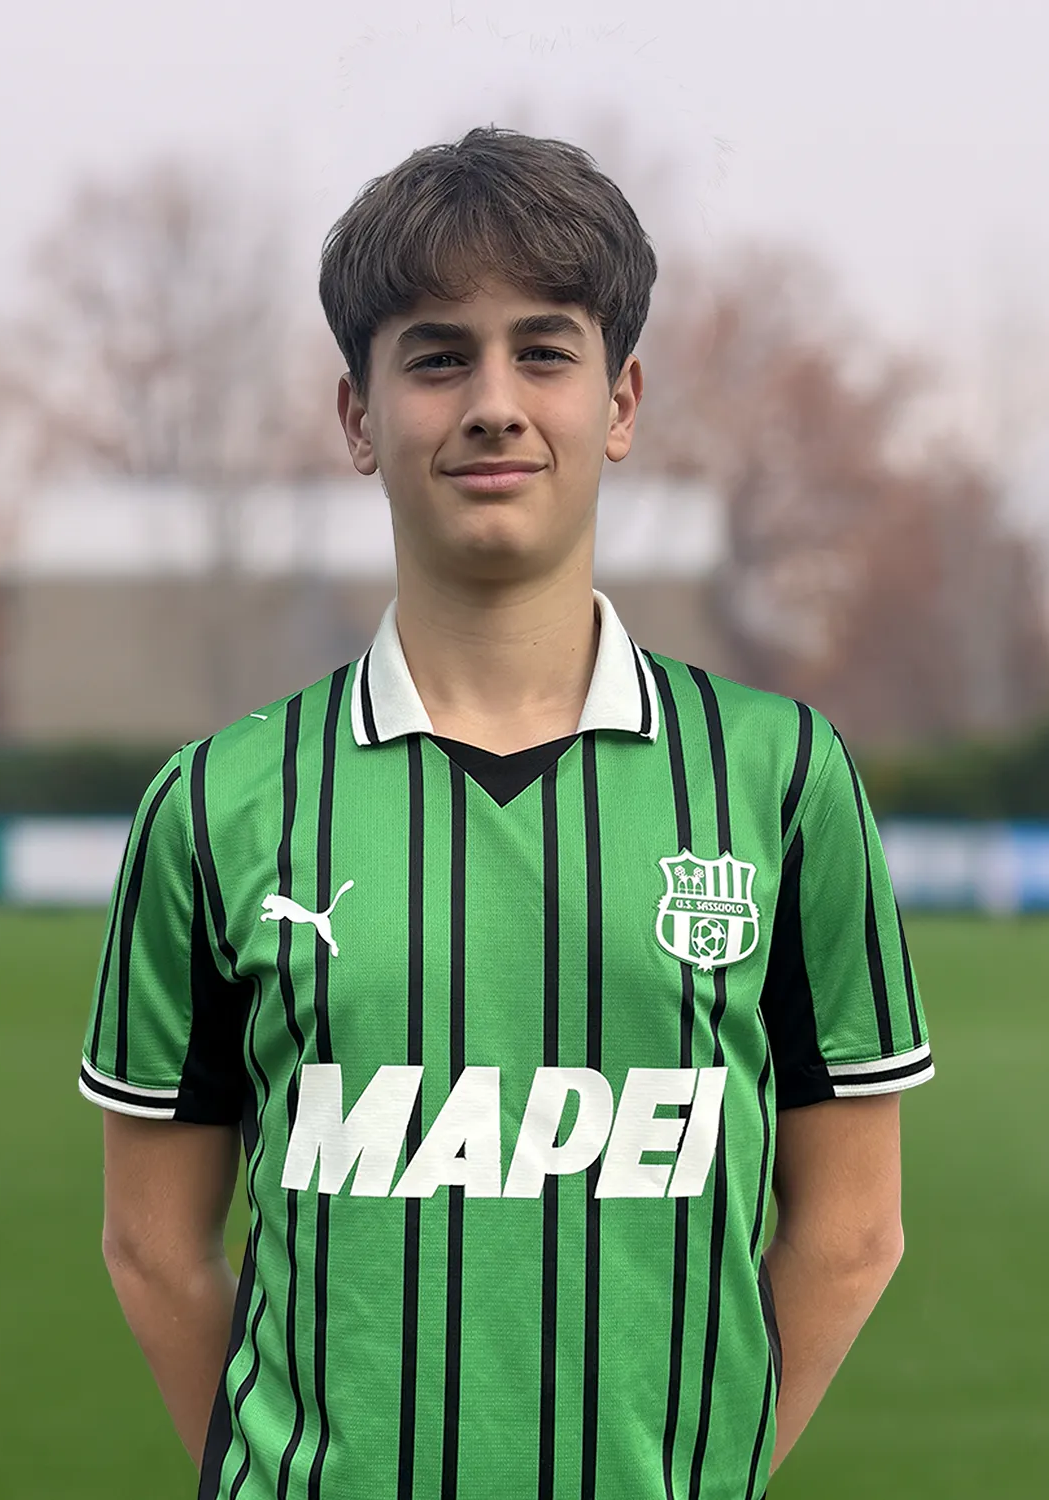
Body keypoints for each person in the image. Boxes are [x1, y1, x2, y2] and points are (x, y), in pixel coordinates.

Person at [79, 124, 934, 1500]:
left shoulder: (779, 777)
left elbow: (852, 1233)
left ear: (621, 402)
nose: (493, 403)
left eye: (544, 351)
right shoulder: (216, 804)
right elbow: (154, 1249)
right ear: (357, 418)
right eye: (436, 358)